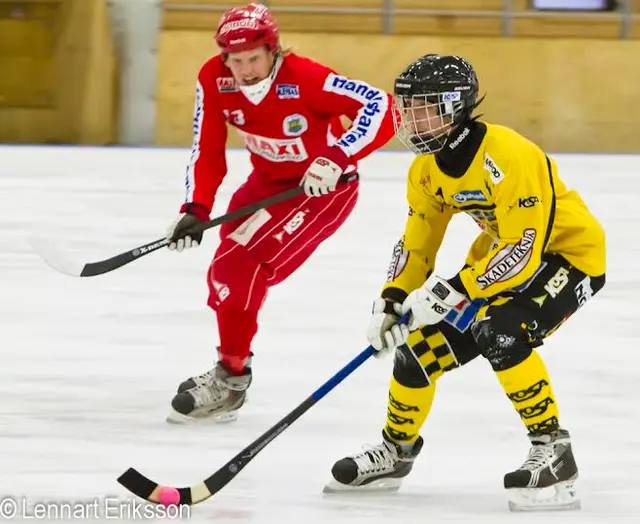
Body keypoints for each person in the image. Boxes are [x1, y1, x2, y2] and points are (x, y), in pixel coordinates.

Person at [325, 54, 606, 511]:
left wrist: (456, 288)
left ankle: (554, 450)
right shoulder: (425, 170)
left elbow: (524, 247)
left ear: (456, 107)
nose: (409, 118)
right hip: (499, 261)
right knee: (416, 348)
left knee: (499, 330)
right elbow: (417, 245)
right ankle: (396, 450)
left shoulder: (509, 154)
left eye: (423, 107)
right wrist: (391, 299)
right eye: (407, 106)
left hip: (568, 259)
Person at [164, 3, 396, 424]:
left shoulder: (305, 77)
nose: (247, 69)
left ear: (273, 49)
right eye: (236, 60)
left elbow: (382, 106)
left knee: (238, 269)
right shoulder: (213, 80)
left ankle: (231, 380)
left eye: (255, 57)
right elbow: (207, 149)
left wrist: (336, 157)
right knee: (223, 273)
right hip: (266, 186)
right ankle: (230, 362)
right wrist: (196, 207)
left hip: (322, 190)